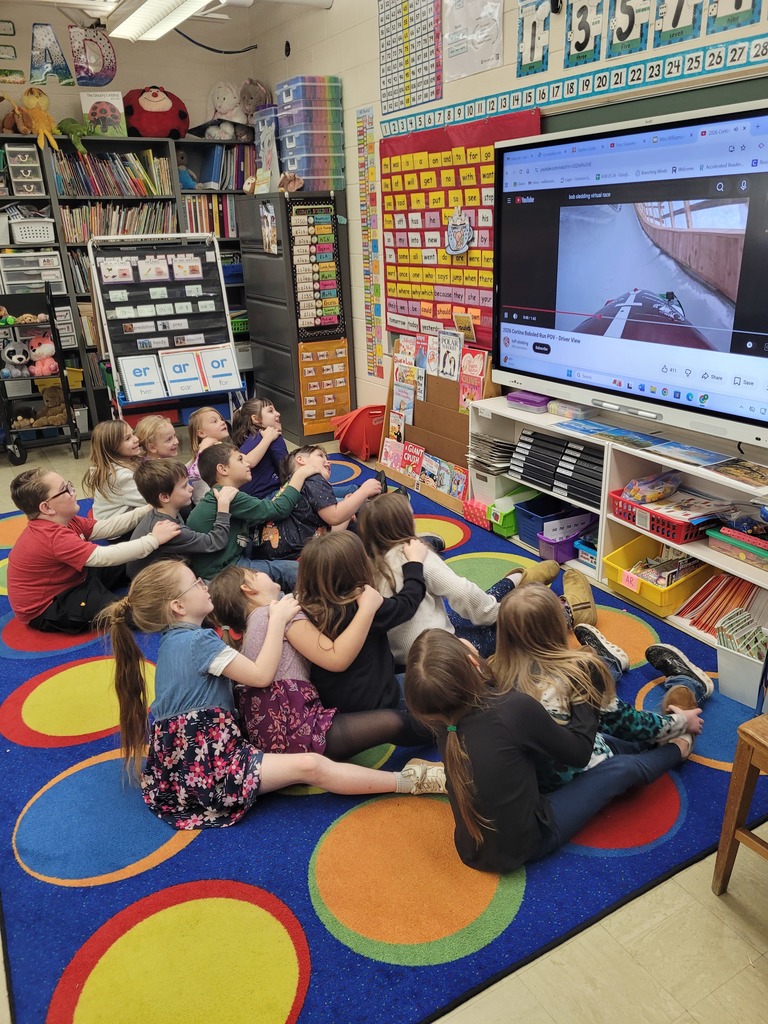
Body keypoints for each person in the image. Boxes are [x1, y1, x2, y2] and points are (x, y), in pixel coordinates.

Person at [96, 559, 446, 830]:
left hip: (183, 768)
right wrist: (277, 619)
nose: (204, 586)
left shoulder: (173, 643)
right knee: (311, 765)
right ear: (177, 606)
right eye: (196, 583)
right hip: (210, 770)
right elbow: (262, 676)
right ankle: (408, 781)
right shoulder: (197, 641)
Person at [405, 628, 697, 874]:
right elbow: (578, 754)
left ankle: (624, 691)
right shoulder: (511, 708)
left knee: (606, 744)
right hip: (534, 837)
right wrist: (584, 690)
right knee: (617, 770)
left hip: (470, 848)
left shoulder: (444, 721)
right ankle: (678, 748)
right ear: (471, 659)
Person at [490, 584, 704, 791]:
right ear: (557, 627)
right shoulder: (572, 677)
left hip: (534, 776)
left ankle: (609, 662)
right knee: (631, 741)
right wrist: (682, 722)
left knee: (591, 687)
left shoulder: (493, 672)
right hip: (577, 772)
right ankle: (689, 688)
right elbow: (627, 723)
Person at [208, 565, 429, 756]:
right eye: (256, 572)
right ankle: (450, 731)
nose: (264, 574)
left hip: (275, 734)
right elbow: (336, 658)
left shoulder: (250, 630)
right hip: (295, 730)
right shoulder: (275, 613)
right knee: (393, 723)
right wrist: (367, 609)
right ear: (248, 588)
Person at [357, 490, 560, 662]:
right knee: (521, 620)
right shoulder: (416, 556)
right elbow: (462, 592)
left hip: (406, 657)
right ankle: (563, 612)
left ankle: (518, 580)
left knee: (470, 609)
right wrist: (498, 614)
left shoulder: (366, 567)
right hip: (439, 655)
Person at [7, 468, 179, 633]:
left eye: (68, 484)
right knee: (124, 611)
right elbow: (102, 556)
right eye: (65, 489)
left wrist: (147, 509)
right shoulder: (51, 536)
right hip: (51, 606)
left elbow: (106, 527)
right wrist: (153, 540)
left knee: (130, 558)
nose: (73, 490)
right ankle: (178, 612)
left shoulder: (66, 520)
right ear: (47, 508)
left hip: (75, 577)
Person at [295, 531, 427, 713]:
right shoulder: (362, 604)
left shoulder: (303, 607)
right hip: (379, 702)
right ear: (358, 568)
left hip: (332, 706)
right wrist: (415, 563)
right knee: (435, 678)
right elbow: (408, 603)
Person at [185, 442, 317, 589]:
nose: (247, 463)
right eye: (240, 459)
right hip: (221, 573)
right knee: (295, 570)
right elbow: (279, 509)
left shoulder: (224, 494)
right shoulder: (227, 495)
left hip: (225, 565)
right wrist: (300, 474)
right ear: (222, 469)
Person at [253, 445, 381, 561]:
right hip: (300, 557)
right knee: (359, 531)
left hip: (275, 556)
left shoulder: (290, 486)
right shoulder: (313, 478)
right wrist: (364, 491)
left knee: (352, 522)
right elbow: (334, 516)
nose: (328, 461)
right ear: (301, 460)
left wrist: (348, 507)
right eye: (320, 456)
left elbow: (330, 534)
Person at [126, 459, 237, 579]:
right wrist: (223, 506)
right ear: (165, 497)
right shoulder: (171, 529)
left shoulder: (160, 513)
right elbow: (216, 542)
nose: (191, 488)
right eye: (184, 486)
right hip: (158, 587)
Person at [82, 420, 144, 520]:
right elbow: (150, 500)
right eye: (128, 438)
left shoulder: (112, 465)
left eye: (133, 434)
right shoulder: (120, 477)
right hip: (118, 531)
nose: (136, 439)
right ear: (112, 447)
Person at [231, 396, 288, 499]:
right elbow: (287, 470)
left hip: (245, 500)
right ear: (256, 419)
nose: (278, 413)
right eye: (270, 411)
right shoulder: (274, 437)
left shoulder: (250, 438)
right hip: (265, 499)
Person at [186, 406, 231, 503]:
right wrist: (202, 450)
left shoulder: (224, 449)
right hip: (208, 506)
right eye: (214, 421)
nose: (222, 422)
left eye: (221, 419)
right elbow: (193, 474)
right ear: (201, 433)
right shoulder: (200, 457)